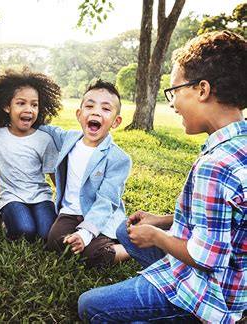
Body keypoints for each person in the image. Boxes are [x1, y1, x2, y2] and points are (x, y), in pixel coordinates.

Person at [79, 30, 247, 323]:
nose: (172, 103)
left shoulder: (215, 165)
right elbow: (225, 217)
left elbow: (207, 258)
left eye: (174, 91)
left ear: (202, 90)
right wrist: (161, 220)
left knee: (89, 306)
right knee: (123, 231)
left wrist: (155, 235)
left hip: (207, 293)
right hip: (235, 281)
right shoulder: (237, 146)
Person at [39, 79, 131, 267]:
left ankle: (128, 247)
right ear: (80, 115)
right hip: (70, 212)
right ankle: (89, 241)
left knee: (93, 255)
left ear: (116, 121)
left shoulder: (119, 158)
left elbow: (107, 201)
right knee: (55, 242)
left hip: (101, 215)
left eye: (106, 109)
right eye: (90, 106)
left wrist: (84, 233)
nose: (96, 112)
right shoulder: (69, 139)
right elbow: (45, 128)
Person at [0, 68, 61, 241]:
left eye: (34, 104)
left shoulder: (44, 139)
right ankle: (4, 213)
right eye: (21, 103)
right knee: (24, 231)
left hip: (40, 195)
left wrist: (65, 200)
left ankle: (6, 212)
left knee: (45, 234)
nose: (29, 109)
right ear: (7, 106)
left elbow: (52, 172)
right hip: (11, 196)